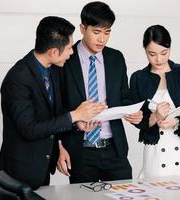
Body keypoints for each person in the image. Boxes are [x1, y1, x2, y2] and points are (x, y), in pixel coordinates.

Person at [0, 16, 106, 189]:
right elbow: (30, 129)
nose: (71, 52)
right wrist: (74, 114)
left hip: (41, 167)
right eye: (69, 48)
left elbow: (53, 114)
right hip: (20, 171)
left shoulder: (52, 70)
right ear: (54, 51)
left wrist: (77, 123)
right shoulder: (18, 78)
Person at [57, 1, 143, 183]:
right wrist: (74, 124)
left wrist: (134, 113)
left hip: (115, 149)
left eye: (107, 32)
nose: (102, 39)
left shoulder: (116, 58)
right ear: (82, 28)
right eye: (96, 32)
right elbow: (56, 106)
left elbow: (124, 97)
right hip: (81, 152)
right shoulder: (65, 59)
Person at [130, 25, 180, 178]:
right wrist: (155, 117)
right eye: (151, 54)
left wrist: (178, 121)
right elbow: (138, 120)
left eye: (163, 53)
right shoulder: (138, 78)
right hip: (156, 149)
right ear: (145, 50)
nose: (158, 59)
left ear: (169, 48)